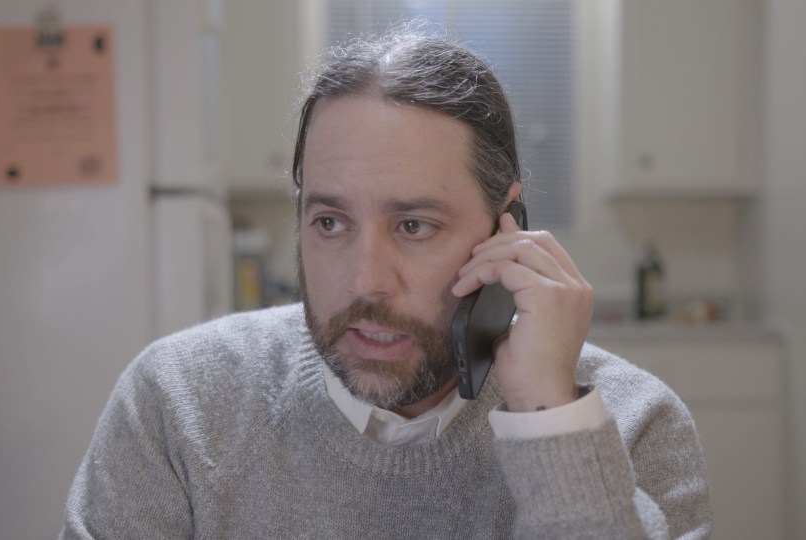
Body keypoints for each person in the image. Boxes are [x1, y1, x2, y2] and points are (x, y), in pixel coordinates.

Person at [61, 27, 711, 539]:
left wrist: (548, 419)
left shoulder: (629, 425)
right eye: (330, 222)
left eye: (414, 226)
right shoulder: (177, 405)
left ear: (505, 227)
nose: (365, 282)